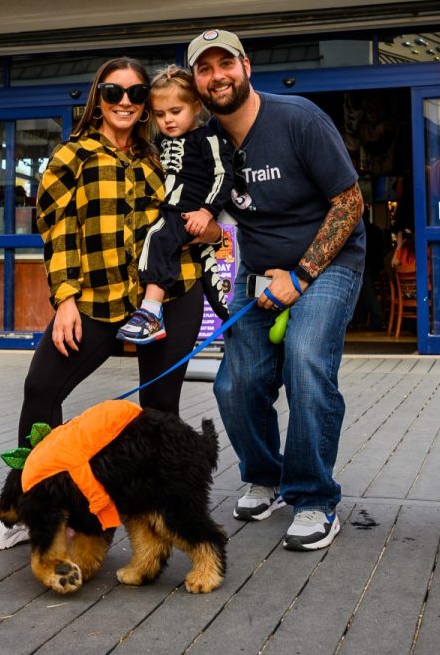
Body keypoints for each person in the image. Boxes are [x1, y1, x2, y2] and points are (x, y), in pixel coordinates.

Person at [0, 57, 208, 552]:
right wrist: (65, 299)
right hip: (96, 299)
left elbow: (192, 212)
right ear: (97, 97)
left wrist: (210, 223)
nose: (125, 101)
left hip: (167, 295)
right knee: (41, 390)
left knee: (159, 409)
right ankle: (20, 508)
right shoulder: (70, 156)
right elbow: (55, 232)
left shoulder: (160, 159)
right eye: (114, 91)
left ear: (146, 105)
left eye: (137, 94)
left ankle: (163, 514)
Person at [190, 29, 366, 552]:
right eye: (205, 68)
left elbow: (350, 202)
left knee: (305, 362)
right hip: (258, 273)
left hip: (327, 264)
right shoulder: (207, 145)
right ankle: (265, 477)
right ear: (197, 81)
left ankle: (314, 498)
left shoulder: (298, 119)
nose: (217, 75)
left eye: (226, 63)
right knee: (234, 384)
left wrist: (303, 275)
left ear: (246, 67)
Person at [117, 66, 232, 344]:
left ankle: (151, 313)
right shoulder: (158, 142)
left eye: (175, 111)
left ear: (195, 106)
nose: (167, 120)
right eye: (159, 114)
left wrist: (207, 212)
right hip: (169, 213)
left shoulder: (208, 139)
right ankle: (238, 323)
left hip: (189, 214)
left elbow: (223, 174)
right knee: (215, 294)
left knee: (158, 238)